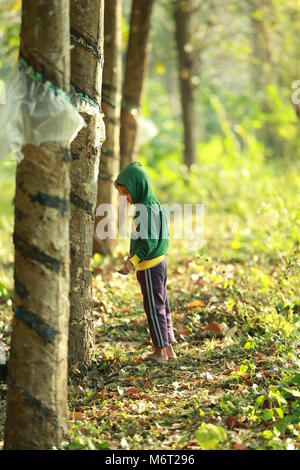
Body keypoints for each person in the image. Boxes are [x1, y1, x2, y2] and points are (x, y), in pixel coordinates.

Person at [114, 162, 176, 362]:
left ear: (138, 187)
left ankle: (159, 352)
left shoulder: (144, 210)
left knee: (154, 308)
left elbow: (148, 242)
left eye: (127, 193)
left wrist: (132, 262)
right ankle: (168, 350)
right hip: (160, 264)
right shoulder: (155, 203)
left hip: (149, 267)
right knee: (162, 304)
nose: (127, 198)